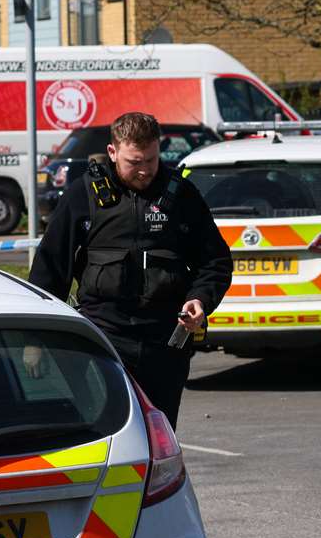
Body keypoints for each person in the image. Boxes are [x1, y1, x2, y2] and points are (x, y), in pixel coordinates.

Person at [28, 111, 232, 426]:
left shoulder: (181, 196)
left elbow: (215, 262)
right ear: (113, 152)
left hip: (165, 339)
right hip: (104, 336)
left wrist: (201, 300)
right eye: (134, 162)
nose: (144, 171)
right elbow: (51, 267)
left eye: (150, 160)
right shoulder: (83, 195)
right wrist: (35, 339)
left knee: (158, 431)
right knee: (109, 429)